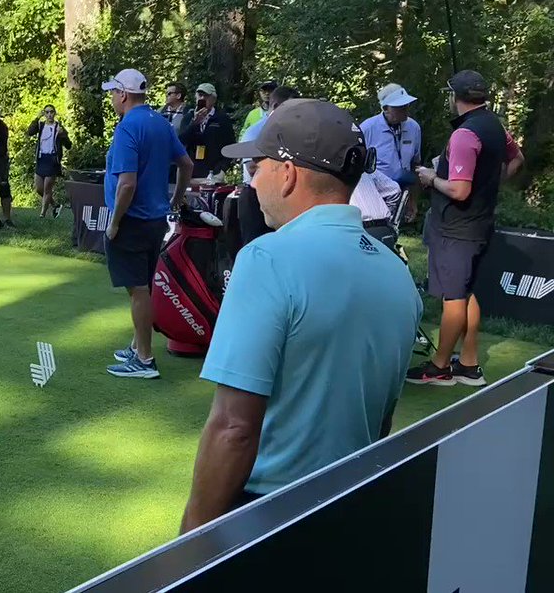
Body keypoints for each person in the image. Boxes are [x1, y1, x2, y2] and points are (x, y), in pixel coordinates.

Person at [179, 99, 422, 533]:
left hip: (267, 515)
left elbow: (233, 428)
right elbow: (380, 419)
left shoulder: (266, 259)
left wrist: (186, 550)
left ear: (288, 173)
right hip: (350, 510)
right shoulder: (398, 274)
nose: (252, 181)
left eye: (259, 166)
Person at [409, 70, 524, 388]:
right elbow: (517, 160)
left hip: (457, 228)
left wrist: (431, 178)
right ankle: (469, 364)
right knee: (465, 291)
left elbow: (459, 190)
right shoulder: (495, 126)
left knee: (453, 298)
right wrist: (488, 186)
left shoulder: (464, 134)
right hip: (480, 223)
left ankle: (440, 366)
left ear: (455, 97)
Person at [100, 68, 195, 379]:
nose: (112, 98)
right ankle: (137, 346)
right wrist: (176, 198)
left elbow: (126, 184)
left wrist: (114, 223)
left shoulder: (128, 127)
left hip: (132, 220)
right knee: (143, 287)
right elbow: (186, 163)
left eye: (113, 92)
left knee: (138, 290)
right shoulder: (159, 122)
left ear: (123, 94)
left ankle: (143, 359)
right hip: (154, 220)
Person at [235, 85, 299, 247]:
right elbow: (251, 168)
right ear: (276, 106)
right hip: (255, 198)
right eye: (290, 108)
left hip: (281, 197)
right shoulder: (256, 131)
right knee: (257, 247)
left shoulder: (291, 131)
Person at [360, 84, 423, 220]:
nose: (405, 110)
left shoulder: (413, 128)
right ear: (385, 108)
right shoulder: (367, 128)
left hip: (403, 190)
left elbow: (415, 165)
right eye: (399, 107)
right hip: (376, 193)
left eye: (406, 105)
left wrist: (413, 200)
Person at [178, 82, 236, 181]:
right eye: (200, 95)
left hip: (213, 173)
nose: (202, 98)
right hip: (191, 172)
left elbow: (230, 145)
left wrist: (222, 169)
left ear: (214, 99)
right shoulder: (188, 117)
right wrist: (194, 123)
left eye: (206, 96)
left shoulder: (222, 119)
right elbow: (181, 140)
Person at [27, 104, 73, 218]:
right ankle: (55, 205)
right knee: (39, 189)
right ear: (44, 113)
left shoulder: (58, 127)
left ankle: (42, 214)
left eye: (51, 112)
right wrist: (36, 118)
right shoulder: (41, 126)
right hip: (41, 159)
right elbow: (30, 132)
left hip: (52, 160)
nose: (49, 114)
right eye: (46, 112)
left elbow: (68, 145)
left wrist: (63, 136)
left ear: (55, 113)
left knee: (47, 189)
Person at [351, 170, 403, 247]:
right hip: (384, 229)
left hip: (356, 231)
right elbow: (394, 189)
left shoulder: (329, 173)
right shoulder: (365, 167)